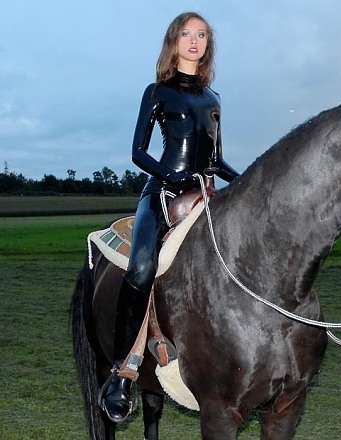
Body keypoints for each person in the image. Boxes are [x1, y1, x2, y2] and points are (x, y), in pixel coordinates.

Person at [99, 11, 239, 422]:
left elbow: (216, 161)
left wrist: (248, 180)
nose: (194, 41)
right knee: (141, 268)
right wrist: (173, 176)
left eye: (201, 35)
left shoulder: (214, 101)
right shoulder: (158, 91)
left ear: (206, 45)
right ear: (174, 42)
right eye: (186, 34)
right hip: (160, 194)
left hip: (203, 194)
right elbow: (137, 152)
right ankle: (122, 374)